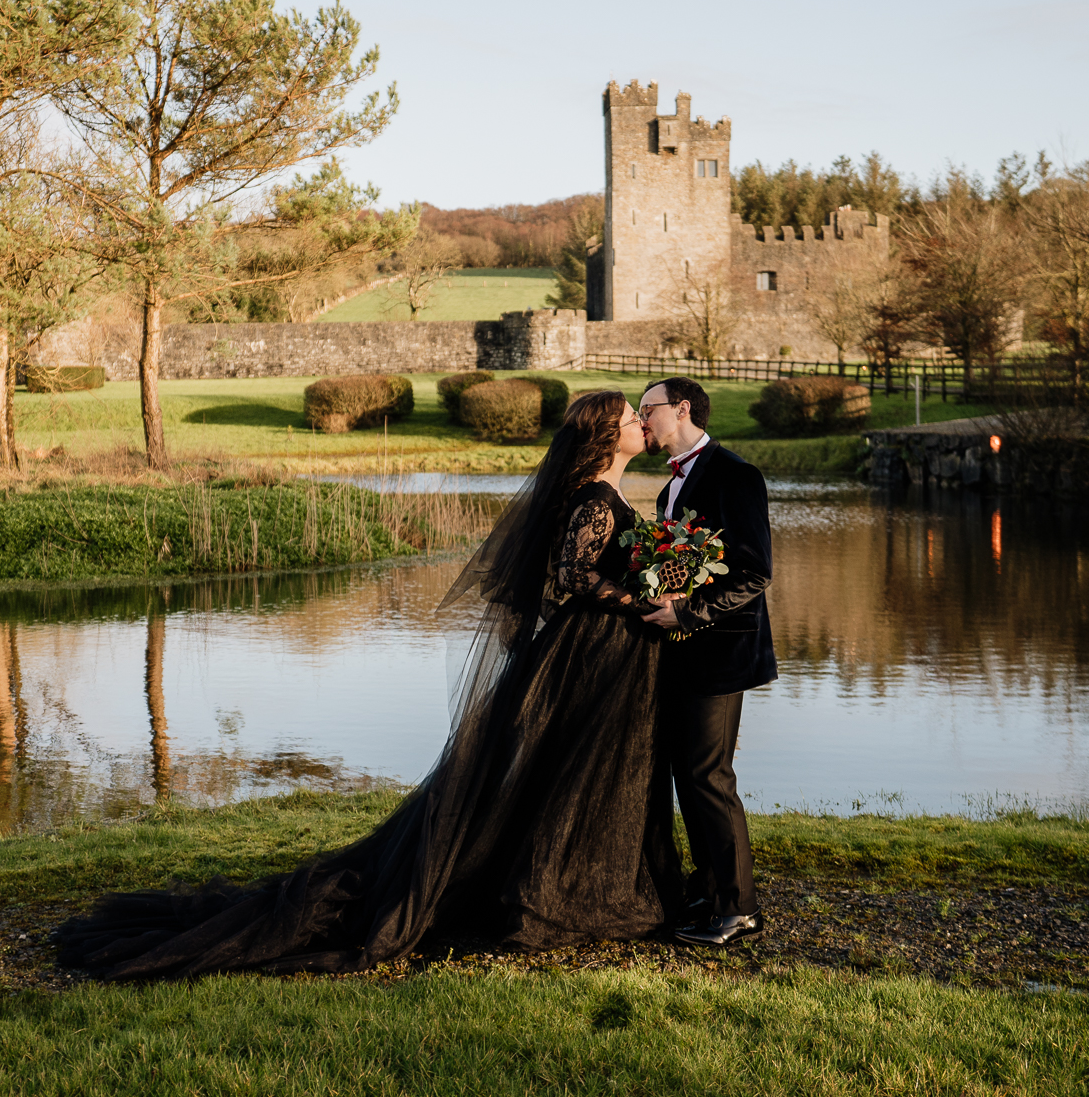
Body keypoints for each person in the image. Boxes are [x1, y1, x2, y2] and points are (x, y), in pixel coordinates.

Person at [52, 390, 687, 978]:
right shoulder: (593, 501)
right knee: (559, 771)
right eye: (630, 415)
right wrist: (643, 601)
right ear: (605, 435)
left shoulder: (607, 493)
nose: (639, 421)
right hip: (587, 650)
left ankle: (568, 878)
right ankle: (542, 889)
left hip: (603, 652)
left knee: (573, 771)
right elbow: (576, 577)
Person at [636, 375, 776, 946]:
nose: (643, 420)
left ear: (682, 409)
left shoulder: (737, 475)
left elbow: (754, 572)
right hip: (684, 654)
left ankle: (738, 908)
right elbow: (684, 565)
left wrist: (689, 614)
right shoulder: (674, 485)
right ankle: (710, 888)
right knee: (687, 775)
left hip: (720, 650)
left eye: (649, 410)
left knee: (708, 776)